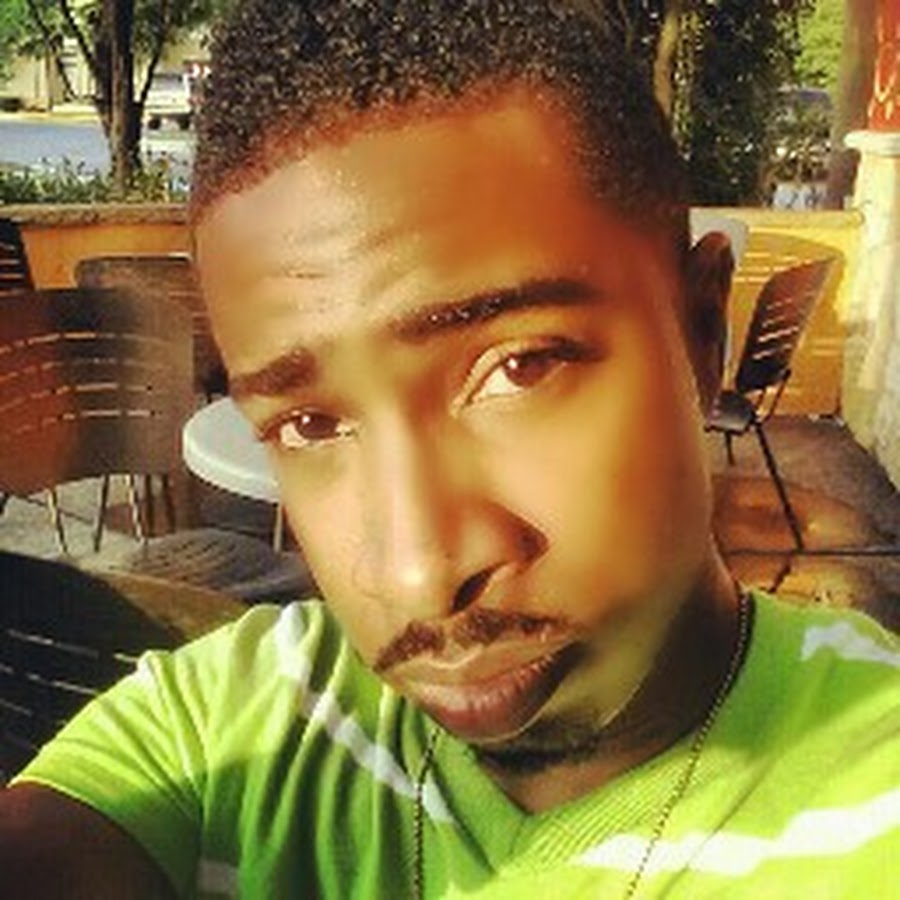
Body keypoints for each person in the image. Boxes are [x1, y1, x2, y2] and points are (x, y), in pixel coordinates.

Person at [2, 2, 897, 897]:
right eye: (311, 424)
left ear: (701, 335)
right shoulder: (227, 721)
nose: (418, 573)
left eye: (519, 367)